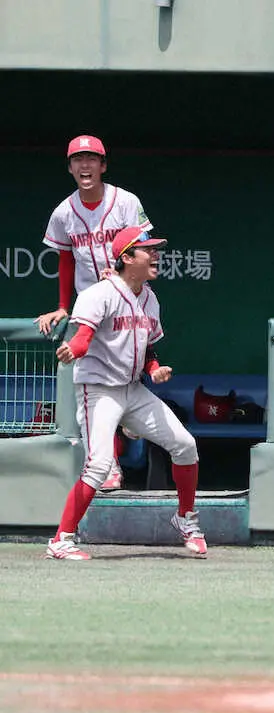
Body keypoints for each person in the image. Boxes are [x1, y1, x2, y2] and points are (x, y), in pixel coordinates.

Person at [47, 227, 205, 560]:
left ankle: (186, 518)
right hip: (99, 390)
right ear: (127, 258)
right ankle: (61, 539)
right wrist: (72, 350)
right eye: (148, 250)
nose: (156, 255)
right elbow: (83, 338)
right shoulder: (99, 294)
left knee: (185, 445)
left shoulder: (149, 297)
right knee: (99, 465)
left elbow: (148, 352)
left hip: (132, 390)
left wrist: (154, 371)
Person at [37, 135, 154, 490]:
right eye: (78, 159)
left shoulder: (126, 201)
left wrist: (121, 271)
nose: (84, 165)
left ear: (103, 165)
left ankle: (131, 417)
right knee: (95, 392)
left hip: (129, 297)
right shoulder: (63, 212)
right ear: (70, 167)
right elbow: (66, 257)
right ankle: (110, 468)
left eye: (92, 159)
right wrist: (62, 306)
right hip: (91, 307)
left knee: (126, 380)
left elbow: (144, 246)